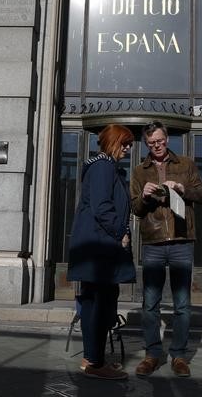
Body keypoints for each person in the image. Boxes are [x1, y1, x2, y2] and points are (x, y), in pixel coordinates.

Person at [130, 121, 202, 378]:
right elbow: (136, 209)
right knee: (150, 303)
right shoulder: (139, 171)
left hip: (182, 239)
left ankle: (179, 356)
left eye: (161, 141)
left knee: (182, 304)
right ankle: (153, 354)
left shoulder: (185, 164)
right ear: (146, 144)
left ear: (167, 139)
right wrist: (143, 196)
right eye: (152, 143)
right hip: (153, 242)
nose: (157, 147)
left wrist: (183, 189)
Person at [67, 124, 136, 380]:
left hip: (100, 248)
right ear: (113, 142)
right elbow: (102, 206)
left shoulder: (108, 168)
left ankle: (93, 359)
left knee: (102, 302)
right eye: (125, 143)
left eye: (130, 144)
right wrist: (121, 233)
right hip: (99, 249)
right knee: (97, 304)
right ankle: (93, 363)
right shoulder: (103, 167)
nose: (129, 149)